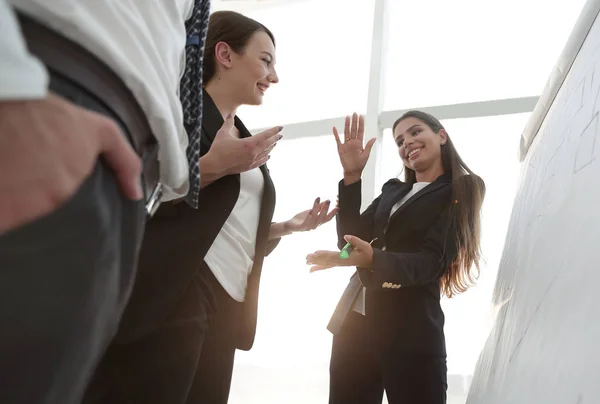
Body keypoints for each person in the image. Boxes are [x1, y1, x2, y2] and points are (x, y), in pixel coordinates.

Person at [0, 1, 252, 403]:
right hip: (54, 91)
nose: (274, 75)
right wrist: (10, 87)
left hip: (128, 176)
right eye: (266, 60)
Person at [83, 10, 337, 404]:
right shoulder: (175, 113)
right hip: (178, 288)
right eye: (266, 60)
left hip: (228, 303)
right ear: (225, 54)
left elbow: (223, 223)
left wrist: (286, 226)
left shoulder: (242, 135)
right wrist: (212, 168)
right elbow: (131, 196)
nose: (274, 76)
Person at [306, 111, 486, 404]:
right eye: (400, 140)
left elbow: (431, 261)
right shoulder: (393, 190)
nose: (407, 143)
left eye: (415, 132)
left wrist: (373, 260)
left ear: (441, 136)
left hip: (410, 331)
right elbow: (349, 242)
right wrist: (352, 178)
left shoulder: (463, 188)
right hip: (353, 323)